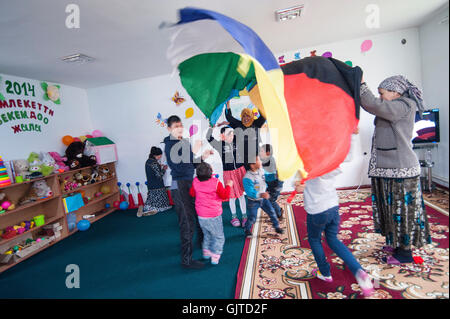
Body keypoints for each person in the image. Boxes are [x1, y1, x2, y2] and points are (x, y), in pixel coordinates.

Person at [360, 75, 431, 264]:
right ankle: (396, 242)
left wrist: (361, 85)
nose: (380, 97)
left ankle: (404, 253)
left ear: (395, 92)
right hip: (390, 169)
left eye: (382, 93)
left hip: (401, 170)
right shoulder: (397, 105)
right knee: (391, 210)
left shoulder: (404, 105)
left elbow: (373, 105)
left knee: (401, 212)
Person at [302, 127, 375, 297]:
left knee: (314, 239)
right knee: (333, 239)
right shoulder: (331, 159)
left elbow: (299, 178)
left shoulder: (306, 161)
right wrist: (354, 136)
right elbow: (347, 155)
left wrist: (299, 181)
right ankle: (359, 271)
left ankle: (325, 273)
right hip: (333, 207)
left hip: (317, 211)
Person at [164, 115, 213, 269]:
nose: (179, 128)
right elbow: (179, 167)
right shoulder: (170, 145)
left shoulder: (183, 142)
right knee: (187, 222)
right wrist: (193, 151)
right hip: (179, 185)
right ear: (169, 129)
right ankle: (186, 259)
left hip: (189, 183)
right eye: (175, 126)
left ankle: (201, 243)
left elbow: (191, 163)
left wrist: (202, 156)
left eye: (180, 125)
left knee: (197, 214)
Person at [189, 162, 232, 265]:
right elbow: (225, 196)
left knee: (207, 234)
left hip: (201, 215)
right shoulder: (216, 182)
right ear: (210, 172)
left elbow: (192, 193)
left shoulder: (195, 181)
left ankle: (206, 252)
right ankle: (215, 256)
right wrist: (229, 186)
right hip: (214, 215)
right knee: (219, 237)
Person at [206, 125, 247, 227]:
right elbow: (208, 137)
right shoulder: (220, 145)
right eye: (229, 133)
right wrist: (211, 127)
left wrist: (229, 123)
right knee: (232, 196)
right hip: (228, 173)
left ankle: (245, 217)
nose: (231, 135)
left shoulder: (237, 141)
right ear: (223, 136)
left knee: (241, 195)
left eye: (232, 133)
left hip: (240, 171)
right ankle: (234, 217)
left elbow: (240, 128)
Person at [242, 156, 283, 237]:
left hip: (263, 199)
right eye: (258, 160)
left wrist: (275, 175)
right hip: (253, 201)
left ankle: (277, 227)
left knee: (271, 212)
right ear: (252, 165)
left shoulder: (261, 170)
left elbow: (267, 177)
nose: (260, 161)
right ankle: (247, 229)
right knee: (252, 217)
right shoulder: (247, 178)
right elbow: (249, 192)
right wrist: (260, 194)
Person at [224, 101, 266, 166]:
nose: (246, 118)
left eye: (248, 116)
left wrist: (257, 103)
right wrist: (228, 105)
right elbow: (229, 117)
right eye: (244, 116)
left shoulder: (257, 123)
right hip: (244, 159)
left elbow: (263, 116)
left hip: (256, 157)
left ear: (251, 116)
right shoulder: (239, 124)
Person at [138, 146, 172, 217]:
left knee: (151, 201)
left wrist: (159, 166)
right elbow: (159, 175)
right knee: (163, 206)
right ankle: (155, 209)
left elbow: (153, 170)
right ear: (156, 155)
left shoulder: (148, 161)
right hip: (158, 185)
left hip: (151, 185)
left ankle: (148, 208)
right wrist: (164, 169)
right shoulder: (154, 163)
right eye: (160, 155)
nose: (160, 157)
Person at [259, 144, 284, 220]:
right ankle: (275, 212)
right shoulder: (265, 160)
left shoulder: (270, 163)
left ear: (268, 153)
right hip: (270, 185)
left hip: (275, 186)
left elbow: (269, 176)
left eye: (262, 151)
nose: (260, 153)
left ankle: (279, 214)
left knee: (271, 200)